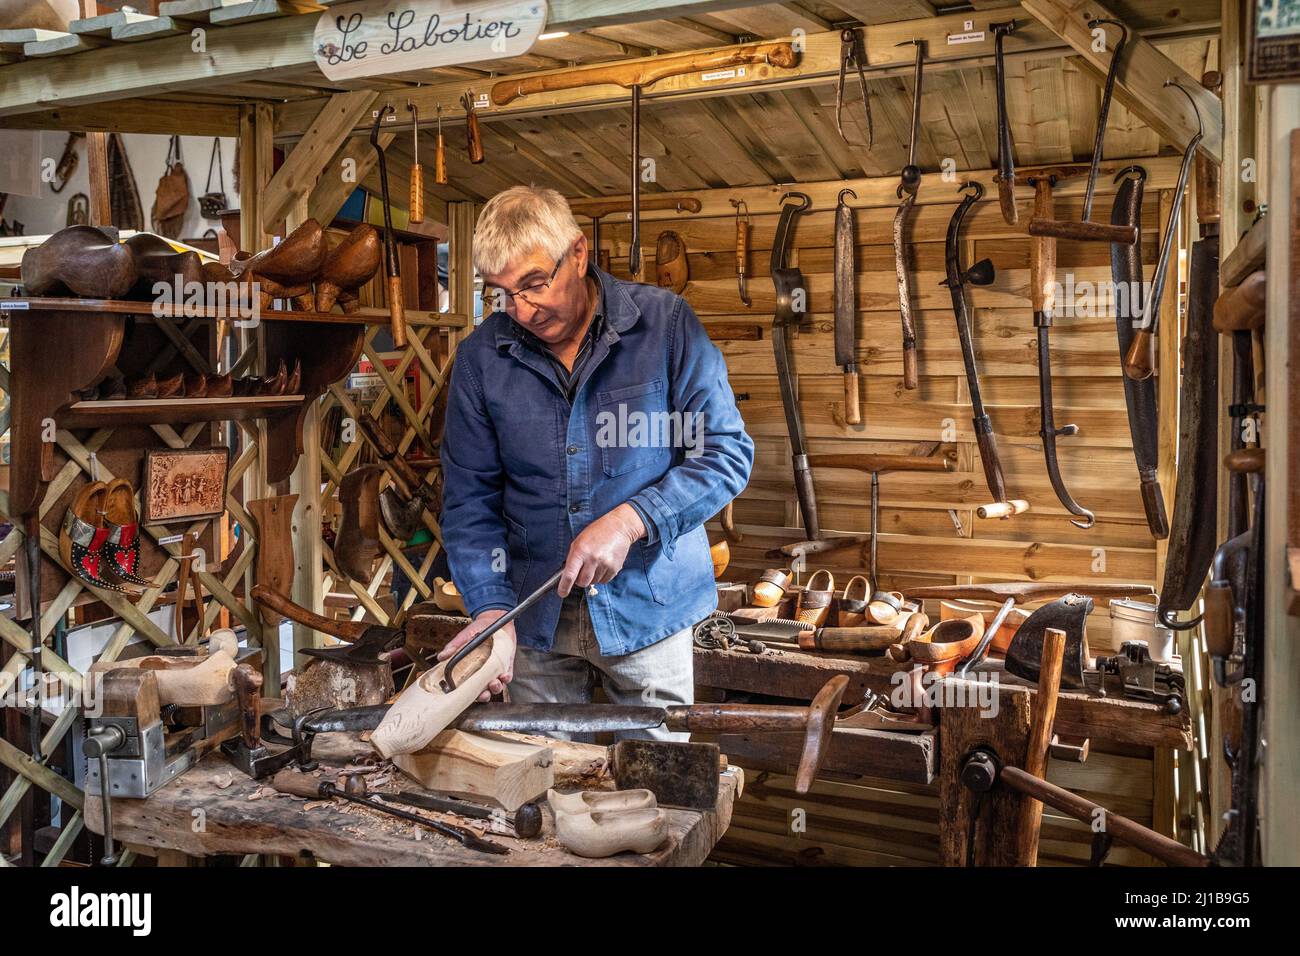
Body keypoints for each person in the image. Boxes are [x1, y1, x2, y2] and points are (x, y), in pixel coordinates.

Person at [436, 185, 753, 740]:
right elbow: (469, 500)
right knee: (542, 790)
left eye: (535, 284)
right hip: (533, 625)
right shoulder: (480, 359)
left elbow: (725, 454)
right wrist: (490, 611)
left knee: (659, 788)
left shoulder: (667, 327)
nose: (524, 311)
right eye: (504, 294)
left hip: (650, 611)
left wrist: (631, 521)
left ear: (578, 254)